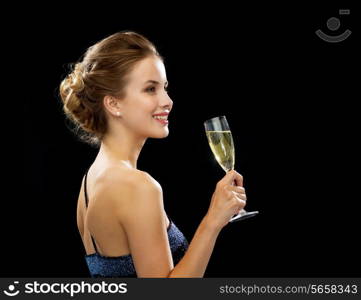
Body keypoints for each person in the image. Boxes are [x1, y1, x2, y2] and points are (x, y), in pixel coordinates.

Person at [59, 31, 247, 278]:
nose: (167, 101)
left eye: (165, 88)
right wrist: (212, 221)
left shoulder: (92, 179)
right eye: (150, 89)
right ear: (114, 104)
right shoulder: (138, 187)